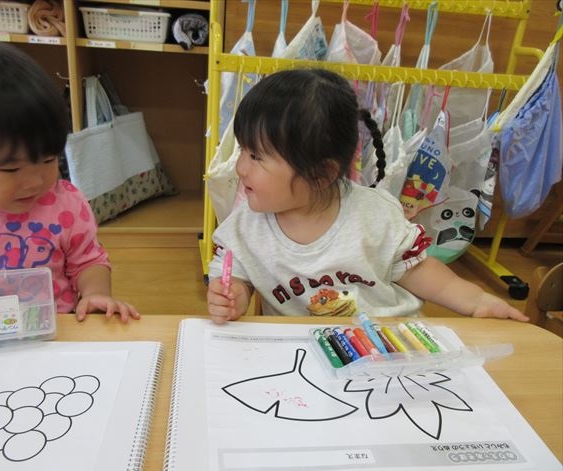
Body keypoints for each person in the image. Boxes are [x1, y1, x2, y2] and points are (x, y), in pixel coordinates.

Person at [207, 69, 528, 324]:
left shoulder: (374, 214)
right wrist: (233, 296)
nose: (240, 167)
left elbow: (419, 271)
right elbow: (237, 276)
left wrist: (476, 300)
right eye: (243, 150)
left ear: (321, 174)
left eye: (256, 156)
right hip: (306, 351)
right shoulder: (245, 226)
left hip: (389, 339)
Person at [0, 41, 138, 322]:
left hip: (52, 332)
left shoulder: (63, 202)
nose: (37, 181)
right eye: (10, 169)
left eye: (49, 159)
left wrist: (95, 294)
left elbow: (88, 260)